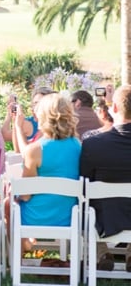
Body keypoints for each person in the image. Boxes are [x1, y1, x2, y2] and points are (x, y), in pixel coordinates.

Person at [80, 84, 131, 271]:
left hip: (104, 218)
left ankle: (102, 252)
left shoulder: (93, 144)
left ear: (115, 108)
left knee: (88, 202)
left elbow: (84, 181)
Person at [14, 93, 81, 227]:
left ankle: (22, 247)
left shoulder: (34, 150)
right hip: (69, 218)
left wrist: (15, 194)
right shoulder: (79, 146)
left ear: (42, 116)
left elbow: (26, 195)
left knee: (9, 204)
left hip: (34, 217)